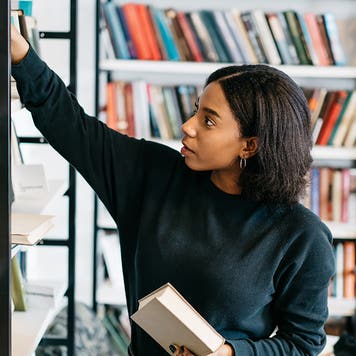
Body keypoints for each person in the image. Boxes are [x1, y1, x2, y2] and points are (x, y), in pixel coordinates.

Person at [11, 25, 335, 356]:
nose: (187, 125)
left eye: (208, 121)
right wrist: (19, 51)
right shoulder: (151, 174)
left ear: (249, 146)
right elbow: (69, 123)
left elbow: (303, 343)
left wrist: (230, 352)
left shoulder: (301, 235)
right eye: (196, 109)